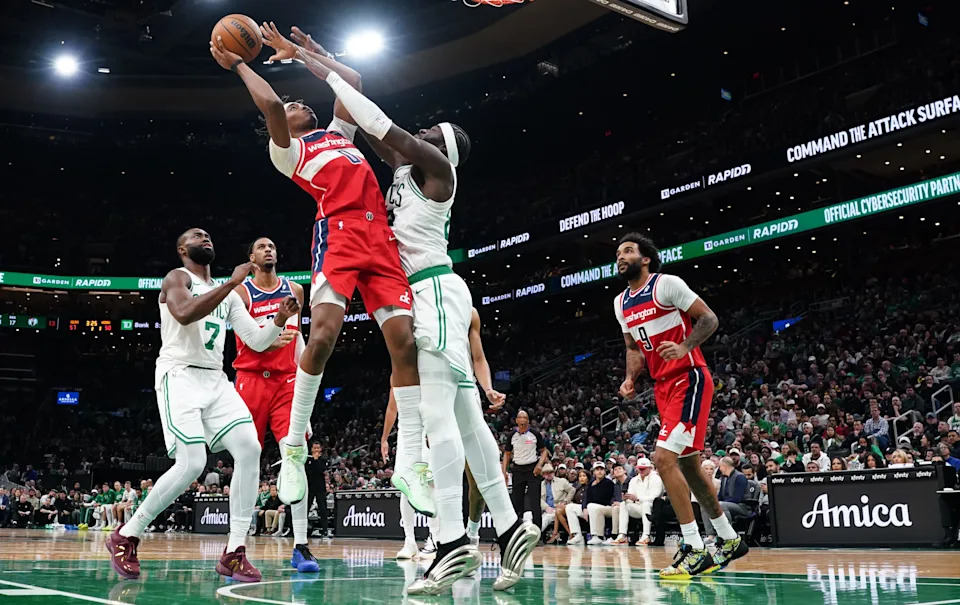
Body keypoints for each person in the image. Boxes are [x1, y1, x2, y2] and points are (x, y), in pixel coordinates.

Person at [210, 27, 425, 515]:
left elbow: (351, 78)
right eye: (290, 106)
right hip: (340, 234)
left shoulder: (337, 135)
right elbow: (268, 107)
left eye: (298, 103)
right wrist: (241, 64)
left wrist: (304, 53)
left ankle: (412, 459)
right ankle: (291, 451)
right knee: (324, 335)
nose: (295, 104)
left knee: (404, 341)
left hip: (381, 239)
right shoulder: (289, 150)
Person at [104, 228, 299, 582]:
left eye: (209, 235)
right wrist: (230, 284)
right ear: (183, 249)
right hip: (179, 375)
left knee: (249, 448)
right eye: (197, 236)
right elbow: (183, 314)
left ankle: (234, 551)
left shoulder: (229, 296)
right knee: (193, 462)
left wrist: (279, 320)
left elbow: (256, 341)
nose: (205, 238)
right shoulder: (177, 278)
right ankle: (128, 533)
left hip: (214, 378)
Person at [614, 233, 747, 577]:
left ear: (645, 258)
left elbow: (709, 319)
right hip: (662, 387)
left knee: (662, 459)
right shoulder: (620, 303)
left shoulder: (666, 284)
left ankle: (693, 546)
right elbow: (633, 348)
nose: (620, 256)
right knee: (688, 466)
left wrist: (685, 346)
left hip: (689, 378)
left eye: (628, 251)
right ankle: (730, 539)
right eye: (618, 253)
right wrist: (631, 379)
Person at [231, 236, 318, 572]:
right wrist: (272, 327)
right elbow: (253, 341)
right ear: (251, 256)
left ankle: (301, 546)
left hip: (286, 382)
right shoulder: (241, 293)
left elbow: (300, 341)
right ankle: (236, 544)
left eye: (272, 246)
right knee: (246, 461)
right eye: (261, 247)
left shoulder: (295, 290)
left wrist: (305, 394)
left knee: (295, 456)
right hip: (250, 380)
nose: (269, 249)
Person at [615, 457, 663, 546]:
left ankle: (646, 535)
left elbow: (655, 497)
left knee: (646, 504)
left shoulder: (656, 479)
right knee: (623, 504)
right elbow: (631, 495)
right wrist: (627, 498)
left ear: (650, 468)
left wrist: (637, 498)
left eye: (643, 468)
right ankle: (622, 535)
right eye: (639, 468)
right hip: (637, 507)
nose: (641, 470)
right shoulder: (633, 480)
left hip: (653, 509)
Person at [702, 458, 749, 540]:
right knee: (706, 505)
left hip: (742, 506)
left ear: (724, 466)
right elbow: (720, 496)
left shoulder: (740, 477)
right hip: (726, 504)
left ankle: (728, 535)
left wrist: (718, 503)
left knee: (721, 504)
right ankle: (710, 535)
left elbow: (737, 498)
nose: (719, 469)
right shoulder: (724, 478)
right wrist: (712, 502)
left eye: (720, 467)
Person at [541, 464, 575, 544]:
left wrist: (565, 501)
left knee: (545, 519)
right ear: (543, 475)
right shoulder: (540, 485)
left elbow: (572, 490)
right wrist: (546, 507)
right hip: (547, 509)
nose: (549, 474)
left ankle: (535, 536)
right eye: (547, 473)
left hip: (559, 507)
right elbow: (538, 499)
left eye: (551, 472)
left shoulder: (562, 481)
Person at [305, 442, 331, 539]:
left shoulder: (323, 460)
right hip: (310, 487)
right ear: (311, 449)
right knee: (306, 508)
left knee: (323, 509)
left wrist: (316, 460)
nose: (316, 450)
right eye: (314, 448)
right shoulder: (307, 459)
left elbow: (320, 470)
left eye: (317, 448)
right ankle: (303, 530)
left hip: (320, 487)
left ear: (320, 449)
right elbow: (308, 471)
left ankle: (325, 530)